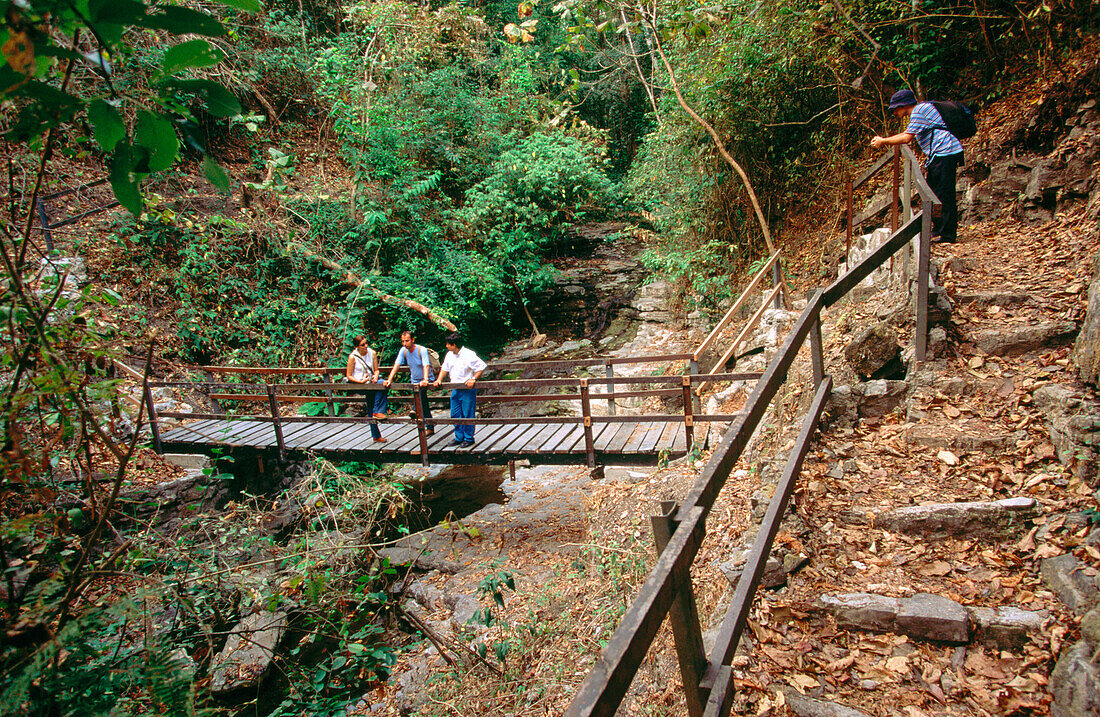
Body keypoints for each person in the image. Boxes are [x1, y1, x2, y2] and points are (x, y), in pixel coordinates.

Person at [871, 89, 965, 244]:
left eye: (895, 108)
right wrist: (885, 140)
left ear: (903, 105)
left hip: (945, 152)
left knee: (943, 193)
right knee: (934, 192)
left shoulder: (920, 111)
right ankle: (938, 230)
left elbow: (906, 138)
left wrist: (883, 141)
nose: (894, 112)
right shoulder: (919, 112)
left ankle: (947, 234)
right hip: (939, 155)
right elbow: (907, 134)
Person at [433, 333, 487, 446]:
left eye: (448, 344)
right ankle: (459, 437)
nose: (446, 346)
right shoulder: (449, 355)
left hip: (467, 389)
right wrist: (439, 379)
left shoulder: (469, 354)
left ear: (454, 344)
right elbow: (444, 368)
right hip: (455, 388)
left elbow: (481, 366)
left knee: (468, 414)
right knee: (455, 414)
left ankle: (468, 438)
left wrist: (473, 379)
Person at [383, 329, 436, 435]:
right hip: (415, 379)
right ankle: (429, 426)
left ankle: (414, 409)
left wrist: (425, 380)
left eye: (407, 341)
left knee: (420, 397)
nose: (404, 343)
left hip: (426, 379)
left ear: (412, 340)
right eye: (403, 341)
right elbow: (397, 365)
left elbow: (426, 365)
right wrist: (389, 379)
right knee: (423, 403)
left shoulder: (422, 350)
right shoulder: (403, 350)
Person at [345, 335, 388, 443]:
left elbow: (376, 370)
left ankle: (376, 435)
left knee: (382, 386)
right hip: (360, 384)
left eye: (366, 343)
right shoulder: (352, 357)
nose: (366, 346)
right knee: (381, 386)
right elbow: (349, 375)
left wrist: (375, 376)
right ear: (357, 346)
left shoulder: (372, 353)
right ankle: (377, 411)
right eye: (362, 345)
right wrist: (360, 381)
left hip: (371, 383)